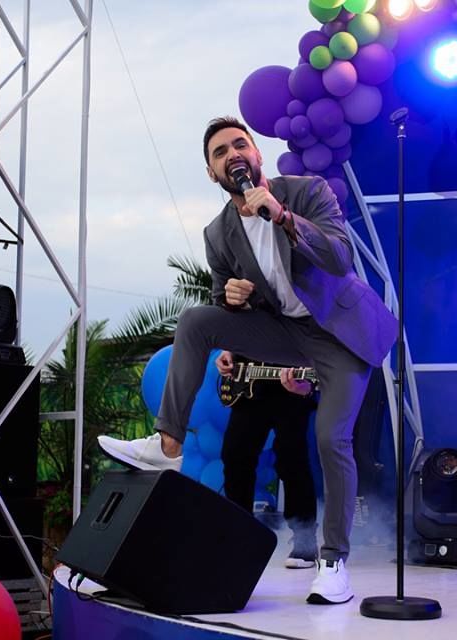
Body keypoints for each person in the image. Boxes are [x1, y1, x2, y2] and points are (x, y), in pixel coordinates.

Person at [99, 116, 397, 605]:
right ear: (212, 173)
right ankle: (167, 444)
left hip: (341, 333)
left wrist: (282, 216)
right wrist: (232, 298)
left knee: (331, 438)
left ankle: (333, 562)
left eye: (240, 145)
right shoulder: (218, 233)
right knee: (196, 320)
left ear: (257, 155)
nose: (232, 154)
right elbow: (223, 296)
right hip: (285, 332)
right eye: (220, 152)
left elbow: (340, 259)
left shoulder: (306, 191)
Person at [217, 352, 318, 569]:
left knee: (292, 458)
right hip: (249, 382)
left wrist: (308, 380)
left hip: (290, 379)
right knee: (235, 455)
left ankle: (305, 538)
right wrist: (228, 351)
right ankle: (240, 535)